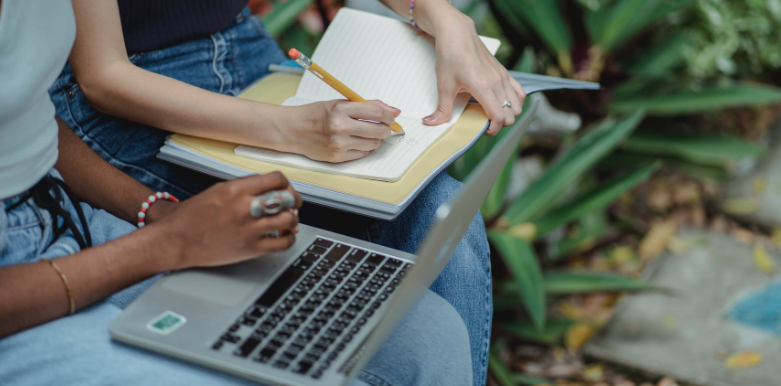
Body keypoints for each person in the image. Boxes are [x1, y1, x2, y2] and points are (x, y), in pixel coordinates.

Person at [0, 1, 474, 385]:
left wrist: (157, 212)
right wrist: (167, 241)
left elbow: (33, 123)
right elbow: (99, 76)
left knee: (433, 333)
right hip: (29, 263)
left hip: (57, 208)